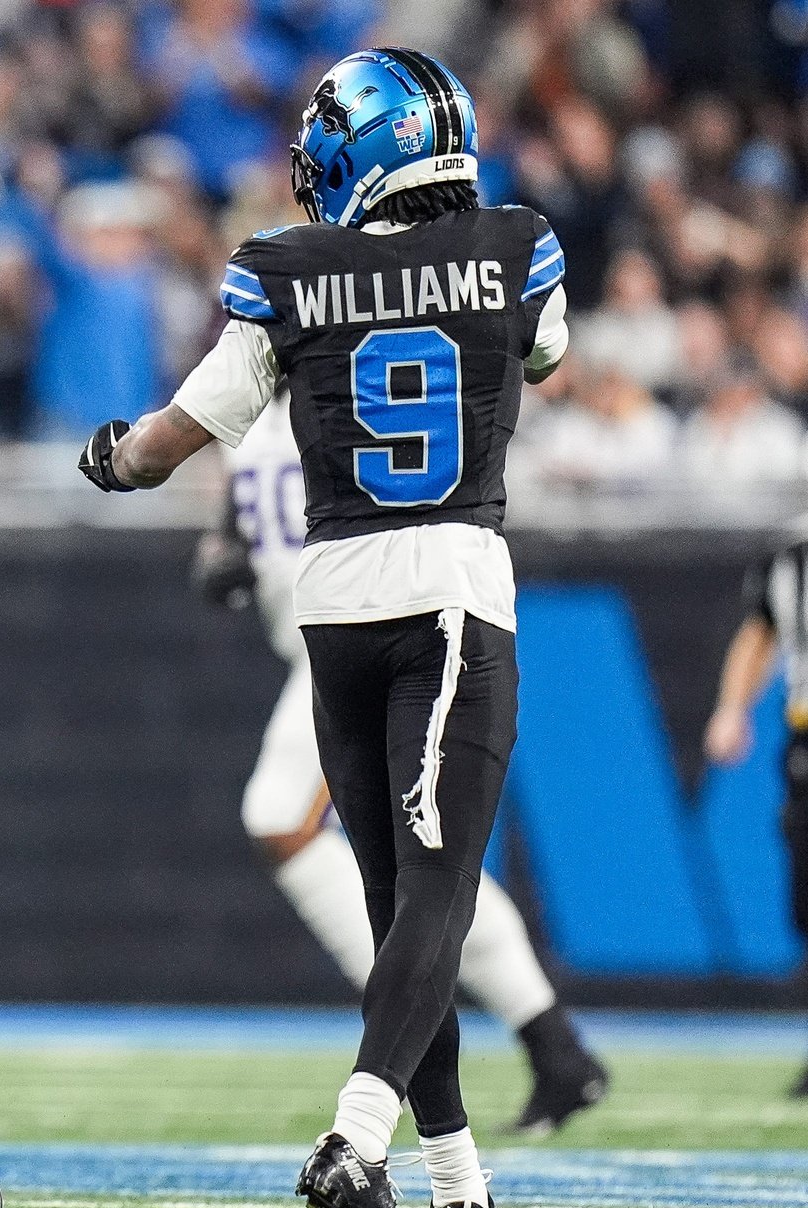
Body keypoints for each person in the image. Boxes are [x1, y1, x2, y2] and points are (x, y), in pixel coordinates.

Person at [80, 48, 569, 1208]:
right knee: (437, 898)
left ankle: (456, 1180)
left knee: (396, 902)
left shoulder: (282, 272)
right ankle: (355, 1139)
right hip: (451, 582)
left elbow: (165, 445)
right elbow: (545, 353)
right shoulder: (516, 246)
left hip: (331, 600)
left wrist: (105, 455)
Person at [204, 393, 608, 1134]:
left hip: (373, 638)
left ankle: (404, 1015)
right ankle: (553, 1046)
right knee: (425, 858)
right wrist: (223, 553)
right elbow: (228, 529)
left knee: (281, 815)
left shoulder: (347, 382)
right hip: (319, 650)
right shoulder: (248, 408)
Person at [704, 529, 808, 1097]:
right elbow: (761, 633)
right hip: (805, 742)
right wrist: (731, 708)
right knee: (805, 900)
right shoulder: (789, 563)